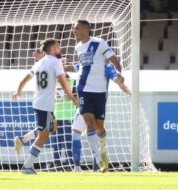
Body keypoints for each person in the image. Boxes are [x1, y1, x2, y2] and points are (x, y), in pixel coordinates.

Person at [12, 39, 78, 174]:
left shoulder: (39, 63)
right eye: (58, 48)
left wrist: (19, 90)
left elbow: (24, 79)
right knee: (43, 136)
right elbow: (64, 84)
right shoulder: (56, 62)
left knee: (52, 127)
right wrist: (73, 99)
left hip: (39, 102)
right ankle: (27, 166)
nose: (60, 50)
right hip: (45, 105)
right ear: (53, 49)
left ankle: (23, 139)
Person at [71, 20, 121, 173]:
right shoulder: (78, 47)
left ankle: (103, 148)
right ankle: (99, 160)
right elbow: (82, 67)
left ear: (86, 29)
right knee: (89, 123)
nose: (74, 30)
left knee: (100, 128)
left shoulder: (100, 43)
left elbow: (112, 59)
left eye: (77, 28)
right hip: (84, 90)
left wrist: (119, 72)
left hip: (99, 92)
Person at [70, 63, 131, 172]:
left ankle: (96, 167)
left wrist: (130, 92)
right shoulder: (85, 63)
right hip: (84, 105)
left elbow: (119, 83)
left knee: (98, 131)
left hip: (98, 104)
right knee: (76, 132)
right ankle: (77, 166)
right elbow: (70, 67)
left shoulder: (107, 67)